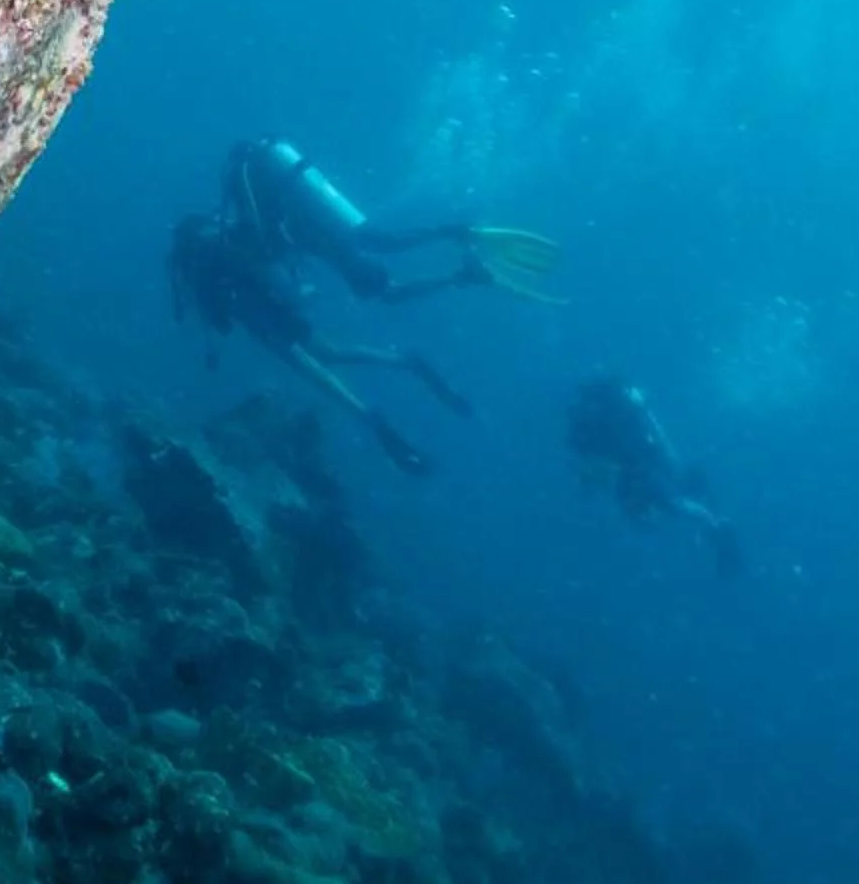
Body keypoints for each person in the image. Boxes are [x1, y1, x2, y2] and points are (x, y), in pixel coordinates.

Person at [167, 137, 558, 476]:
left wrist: (219, 342)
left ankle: (390, 394)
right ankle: (456, 257)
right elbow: (267, 249)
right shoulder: (258, 194)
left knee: (325, 350)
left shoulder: (213, 240)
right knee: (379, 266)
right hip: (307, 233)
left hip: (288, 266)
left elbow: (220, 309)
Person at [565, 376, 742, 575]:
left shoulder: (591, 431)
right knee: (676, 488)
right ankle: (716, 526)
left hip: (639, 464)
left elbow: (592, 464)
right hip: (645, 454)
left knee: (674, 499)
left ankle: (716, 526)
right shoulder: (609, 423)